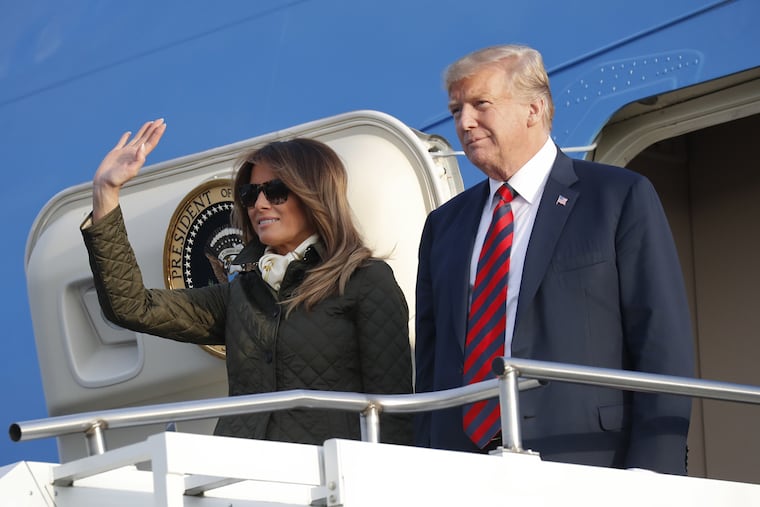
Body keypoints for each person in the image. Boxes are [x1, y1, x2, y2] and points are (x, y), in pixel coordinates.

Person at [414, 45, 694, 474]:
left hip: (586, 462)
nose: (464, 123)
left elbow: (661, 343)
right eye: (456, 110)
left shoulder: (618, 198)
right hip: (461, 467)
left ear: (534, 108)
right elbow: (431, 368)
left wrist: (655, 476)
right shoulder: (444, 225)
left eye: (480, 105)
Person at [81, 119, 413, 445]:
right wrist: (105, 192)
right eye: (250, 193)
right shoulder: (242, 292)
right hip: (240, 481)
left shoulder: (366, 281)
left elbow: (393, 413)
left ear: (315, 195)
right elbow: (132, 306)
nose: (259, 204)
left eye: (276, 191)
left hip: (329, 484)